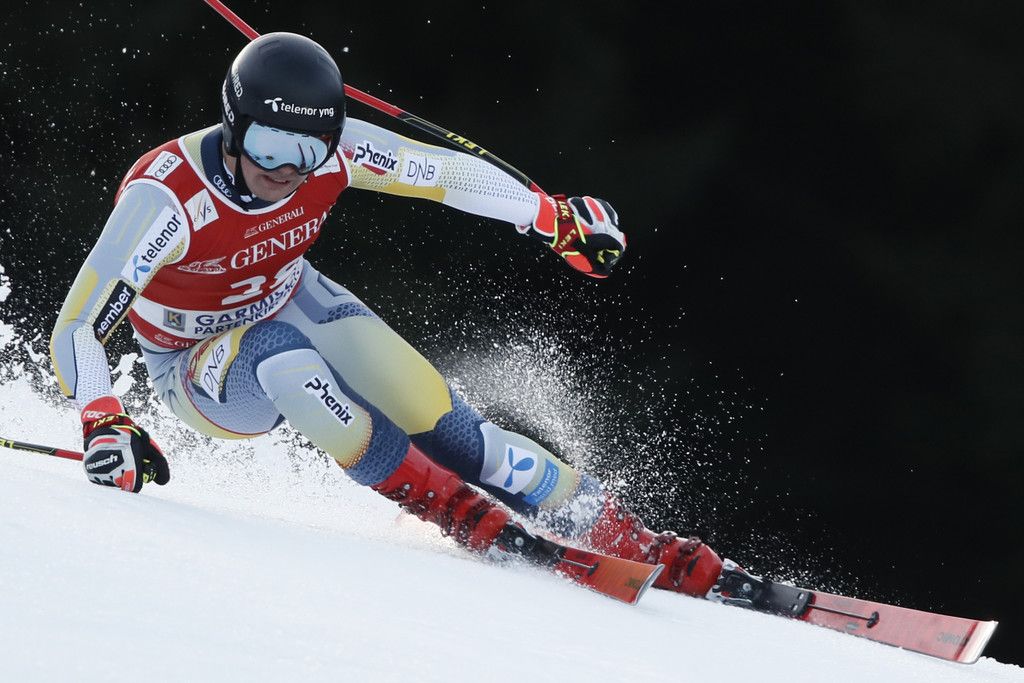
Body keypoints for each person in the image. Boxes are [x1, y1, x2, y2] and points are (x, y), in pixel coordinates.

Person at [50, 32, 724, 597]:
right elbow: (79, 325)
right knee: (282, 353)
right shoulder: (166, 198)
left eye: (307, 153)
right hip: (197, 367)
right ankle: (456, 511)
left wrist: (550, 218)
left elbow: (442, 174)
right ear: (233, 124)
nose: (285, 171)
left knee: (452, 428)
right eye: (269, 147)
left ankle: (630, 537)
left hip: (292, 297)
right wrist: (104, 418)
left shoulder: (335, 152)